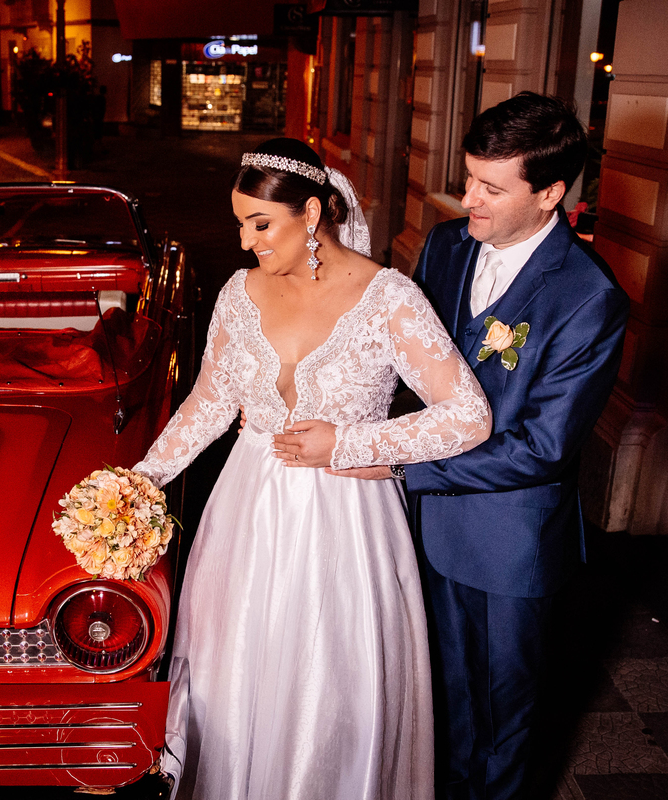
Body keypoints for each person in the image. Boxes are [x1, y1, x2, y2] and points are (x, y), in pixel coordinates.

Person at [131, 138, 492, 800]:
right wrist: (140, 480)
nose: (245, 242)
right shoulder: (239, 294)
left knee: (329, 683)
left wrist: (348, 443)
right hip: (246, 515)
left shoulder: (390, 298)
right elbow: (209, 403)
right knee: (234, 673)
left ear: (315, 212)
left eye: (259, 224)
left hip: (345, 522)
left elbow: (468, 416)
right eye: (240, 223)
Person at [328, 92, 629, 799]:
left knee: (499, 720)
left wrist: (401, 463)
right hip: (416, 529)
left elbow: (542, 448)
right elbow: (405, 367)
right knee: (428, 696)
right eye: (468, 179)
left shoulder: (589, 298)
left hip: (506, 547)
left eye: (491, 188)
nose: (469, 199)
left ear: (551, 193)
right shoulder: (445, 245)